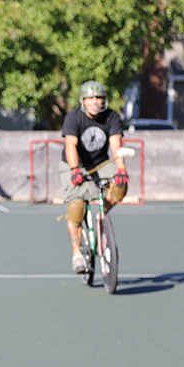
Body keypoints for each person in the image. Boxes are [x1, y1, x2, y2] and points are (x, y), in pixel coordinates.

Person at [60, 81, 129, 274]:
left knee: (121, 186)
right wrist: (75, 169)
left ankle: (101, 215)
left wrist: (121, 169)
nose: (95, 102)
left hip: (101, 163)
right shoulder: (73, 117)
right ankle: (77, 255)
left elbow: (116, 144)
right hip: (75, 164)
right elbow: (70, 145)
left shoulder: (111, 117)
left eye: (99, 98)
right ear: (83, 101)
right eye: (90, 98)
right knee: (76, 207)